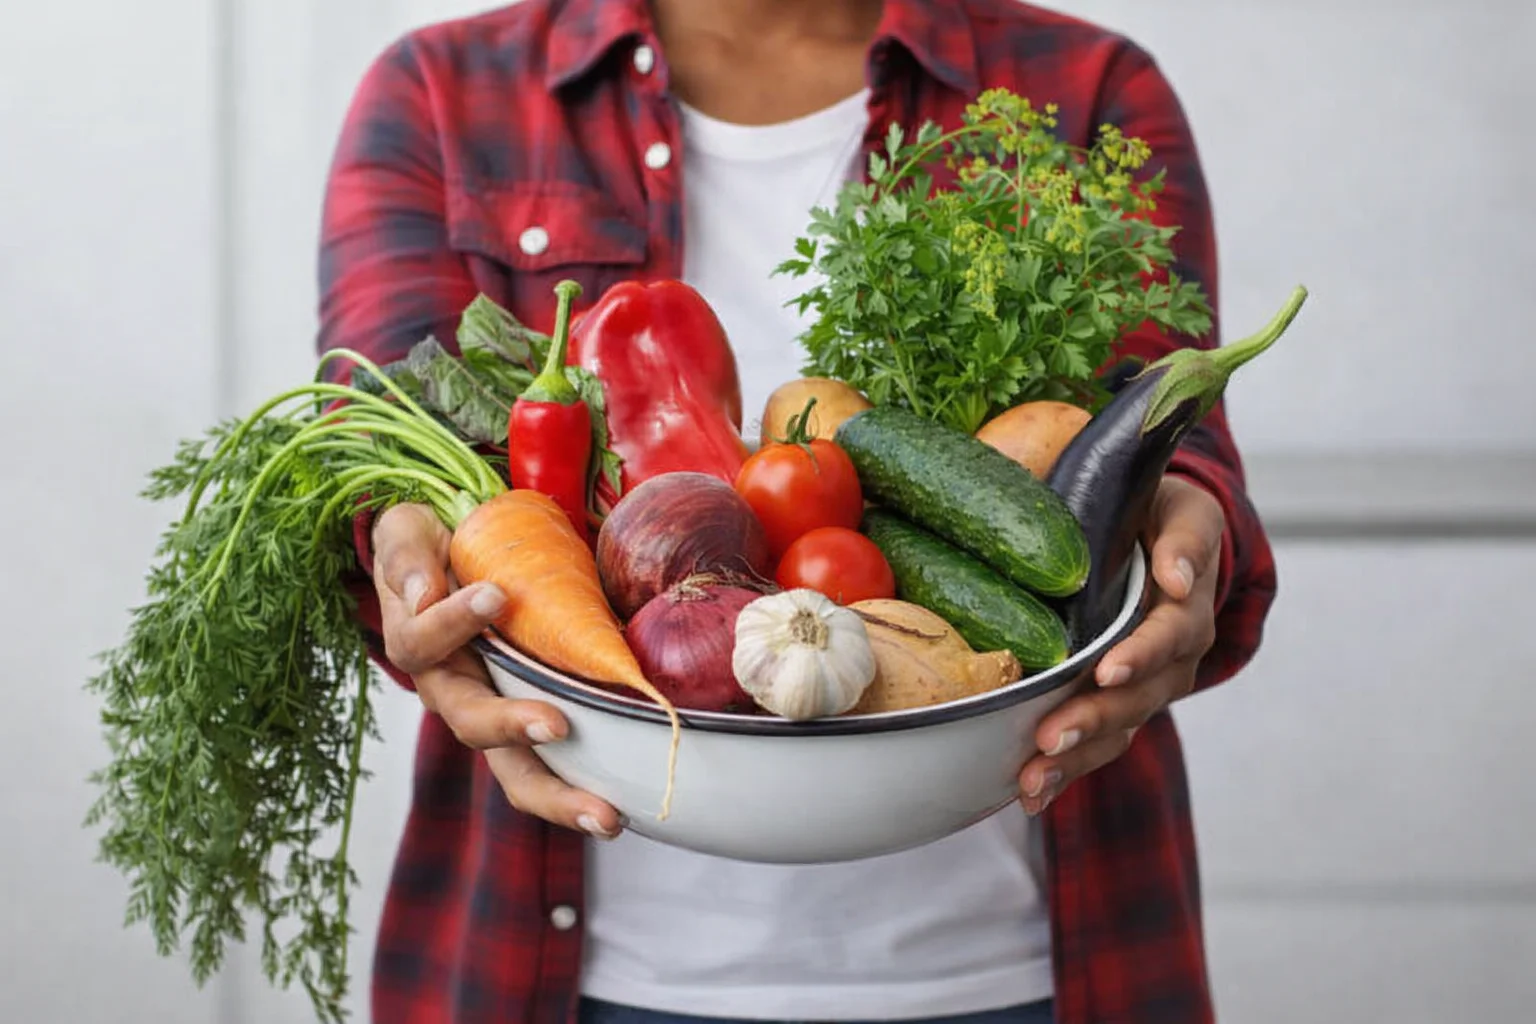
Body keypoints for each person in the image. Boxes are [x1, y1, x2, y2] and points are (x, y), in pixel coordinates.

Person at [318, 1, 1276, 1021]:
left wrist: (1192, 539)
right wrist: (402, 552)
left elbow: (1170, 446)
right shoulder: (439, 93)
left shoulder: (1089, 89)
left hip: (1020, 965)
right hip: (573, 972)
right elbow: (383, 440)